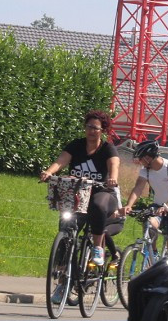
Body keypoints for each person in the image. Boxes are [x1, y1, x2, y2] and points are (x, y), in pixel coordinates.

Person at [39, 110, 121, 267]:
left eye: (95, 128)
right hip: (77, 193)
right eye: (88, 126)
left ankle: (97, 248)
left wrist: (113, 178)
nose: (91, 131)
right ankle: (62, 270)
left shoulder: (107, 149)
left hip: (101, 191)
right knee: (66, 226)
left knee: (98, 205)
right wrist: (49, 172)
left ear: (102, 130)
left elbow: (114, 164)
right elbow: (61, 161)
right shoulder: (76, 145)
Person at [121, 140, 168, 251]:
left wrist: (167, 206)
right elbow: (138, 189)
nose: (139, 161)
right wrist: (129, 205)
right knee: (149, 225)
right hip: (158, 207)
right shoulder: (145, 172)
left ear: (148, 158)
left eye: (141, 158)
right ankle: (152, 255)